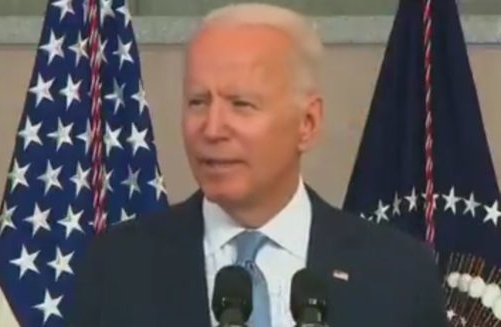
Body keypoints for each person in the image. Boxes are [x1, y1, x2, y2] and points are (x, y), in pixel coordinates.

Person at [69, 3, 448, 326]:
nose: (213, 129)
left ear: (307, 124)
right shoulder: (117, 269)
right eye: (198, 102)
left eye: (241, 105)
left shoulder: (398, 275)